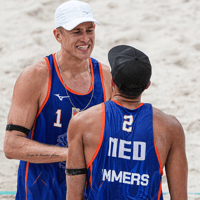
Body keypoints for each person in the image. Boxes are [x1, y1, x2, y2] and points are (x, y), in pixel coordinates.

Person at [3, 0, 112, 199]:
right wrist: (71, 155)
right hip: (40, 192)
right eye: (77, 32)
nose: (86, 38)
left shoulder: (106, 76)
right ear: (58, 35)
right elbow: (12, 146)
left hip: (89, 192)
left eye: (90, 30)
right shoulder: (35, 76)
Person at [66, 45, 188, 200]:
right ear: (147, 85)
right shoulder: (170, 127)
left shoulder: (82, 122)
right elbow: (180, 197)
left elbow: (73, 195)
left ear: (112, 82)